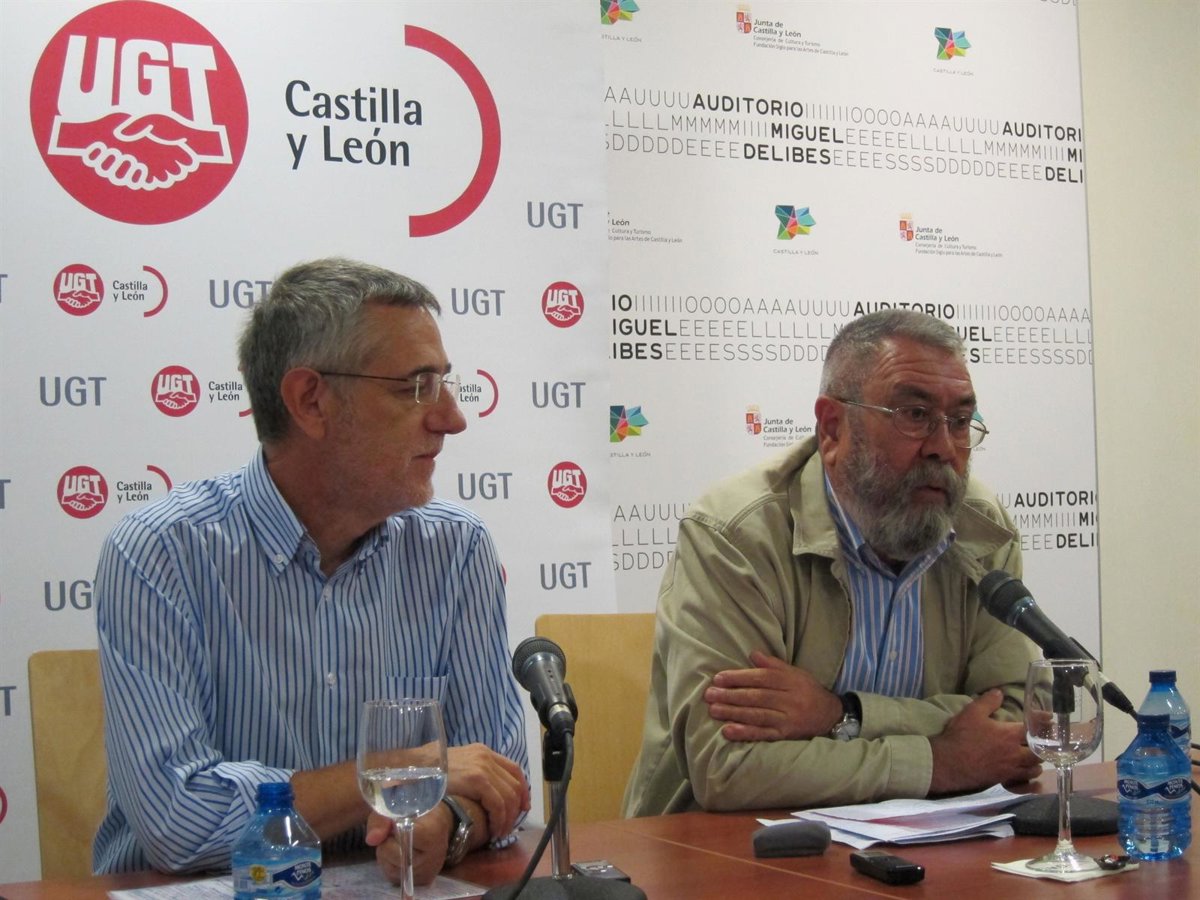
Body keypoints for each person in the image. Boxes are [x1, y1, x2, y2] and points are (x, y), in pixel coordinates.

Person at [92, 258, 530, 883]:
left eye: (444, 383)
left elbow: (499, 781)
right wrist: (396, 771)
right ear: (310, 401)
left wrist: (448, 820)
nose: (451, 418)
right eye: (416, 386)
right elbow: (178, 821)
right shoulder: (161, 553)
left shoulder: (455, 548)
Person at [623, 309, 1042, 816]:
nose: (943, 449)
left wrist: (841, 714)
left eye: (959, 422)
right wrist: (939, 761)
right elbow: (728, 767)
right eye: (914, 415)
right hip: (731, 843)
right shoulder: (735, 534)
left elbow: (1016, 726)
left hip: (931, 840)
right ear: (832, 428)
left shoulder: (980, 528)